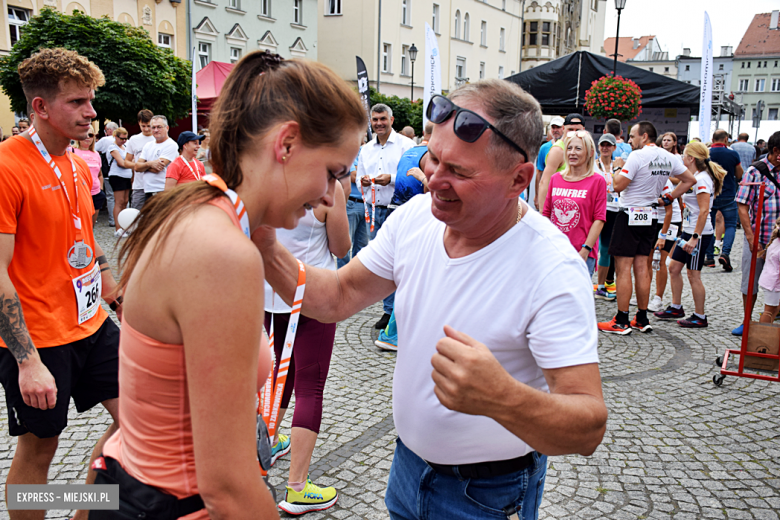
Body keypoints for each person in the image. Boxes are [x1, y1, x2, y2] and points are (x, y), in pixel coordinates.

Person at [256, 79, 607, 520]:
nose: (434, 181)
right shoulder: (415, 218)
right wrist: (262, 240)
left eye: (459, 172)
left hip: (489, 493)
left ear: (519, 178)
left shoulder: (552, 267)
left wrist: (503, 398)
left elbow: (589, 424)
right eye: (433, 159)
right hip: (407, 468)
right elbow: (339, 295)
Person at [99, 51, 365, 519]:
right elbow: (225, 484)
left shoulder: (193, 209)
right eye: (332, 171)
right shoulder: (223, 251)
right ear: (286, 144)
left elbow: (134, 419)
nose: (329, 194)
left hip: (133, 489)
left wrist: (91, 498)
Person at [0, 47, 122, 520]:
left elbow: (85, 239)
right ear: (40, 107)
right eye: (77, 102)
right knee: (40, 449)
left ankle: (86, 512)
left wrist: (116, 297)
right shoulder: (8, 167)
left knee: (137, 420)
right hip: (37, 337)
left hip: (90, 324)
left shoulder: (76, 162)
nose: (91, 112)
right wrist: (27, 361)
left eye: (91, 101)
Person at [264, 183, 350, 515]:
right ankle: (298, 487)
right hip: (312, 292)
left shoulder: (269, 174)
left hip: (271, 292)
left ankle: (268, 443)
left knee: (280, 374)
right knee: (310, 386)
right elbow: (342, 246)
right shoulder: (328, 185)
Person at [597, 121, 695, 335]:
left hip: (630, 213)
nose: (630, 140)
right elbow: (689, 180)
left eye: (632, 136)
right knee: (642, 267)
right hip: (650, 215)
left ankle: (621, 319)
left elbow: (617, 185)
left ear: (644, 136)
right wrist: (669, 197)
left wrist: (616, 167)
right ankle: (641, 318)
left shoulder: (637, 156)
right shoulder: (669, 157)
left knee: (623, 268)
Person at [355, 104, 415, 330]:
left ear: (391, 119)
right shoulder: (367, 149)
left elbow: (412, 176)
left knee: (402, 261)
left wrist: (390, 178)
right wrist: (364, 180)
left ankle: (403, 310)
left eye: (382, 119)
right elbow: (360, 175)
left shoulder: (406, 145)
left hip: (398, 209)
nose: (378, 123)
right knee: (383, 263)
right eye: (375, 119)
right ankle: (388, 311)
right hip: (375, 210)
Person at [653, 142, 725, 328]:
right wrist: (660, 200)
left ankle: (700, 316)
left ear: (691, 158)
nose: (682, 159)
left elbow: (703, 212)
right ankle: (676, 307)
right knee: (674, 268)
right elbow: (677, 192)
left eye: (684, 156)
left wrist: (695, 238)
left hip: (698, 234)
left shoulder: (702, 180)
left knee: (694, 275)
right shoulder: (694, 177)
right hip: (689, 230)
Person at [375, 125, 434, 351]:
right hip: (416, 216)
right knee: (411, 275)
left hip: (405, 212)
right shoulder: (426, 154)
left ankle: (394, 330)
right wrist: (422, 177)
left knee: (407, 274)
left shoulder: (412, 150)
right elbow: (436, 191)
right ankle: (393, 333)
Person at [733, 131, 780, 336]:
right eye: (778, 152)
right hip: (758, 237)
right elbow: (742, 205)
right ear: (773, 151)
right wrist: (751, 237)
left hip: (778, 239)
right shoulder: (755, 171)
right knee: (750, 280)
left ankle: (769, 319)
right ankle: (747, 320)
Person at [542, 130, 606, 277]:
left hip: (582, 251)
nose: (572, 153)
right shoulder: (555, 179)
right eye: (569, 148)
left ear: (590, 153)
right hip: (555, 251)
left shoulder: (597, 181)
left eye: (578, 148)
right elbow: (546, 214)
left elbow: (599, 219)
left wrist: (586, 249)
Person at [703, 129, 743, 271]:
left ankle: (709, 257)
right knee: (731, 224)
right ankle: (725, 253)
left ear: (713, 139)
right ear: (726, 139)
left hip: (710, 193)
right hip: (728, 194)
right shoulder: (732, 154)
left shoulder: (706, 153)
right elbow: (739, 174)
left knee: (709, 224)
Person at [537, 113, 585, 211]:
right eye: (570, 130)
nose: (574, 133)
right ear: (563, 129)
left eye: (577, 130)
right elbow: (544, 182)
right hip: (558, 206)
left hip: (575, 205)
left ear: (583, 130)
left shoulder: (584, 148)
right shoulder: (558, 150)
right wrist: (543, 213)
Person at [593, 133, 620, 300]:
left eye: (608, 145)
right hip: (596, 209)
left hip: (614, 209)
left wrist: (617, 170)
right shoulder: (593, 165)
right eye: (602, 145)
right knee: (589, 245)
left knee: (606, 248)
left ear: (614, 148)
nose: (605, 148)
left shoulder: (619, 165)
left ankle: (602, 285)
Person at [135, 115, 178, 203]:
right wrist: (149, 164)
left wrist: (144, 165)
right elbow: (136, 167)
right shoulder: (148, 145)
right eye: (153, 127)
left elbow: (157, 168)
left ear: (167, 128)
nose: (156, 130)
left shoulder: (171, 144)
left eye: (159, 127)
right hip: (148, 190)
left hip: (163, 190)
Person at [71, 128, 104, 225]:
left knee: (91, 225)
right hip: (79, 192)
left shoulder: (96, 154)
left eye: (91, 135)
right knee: (81, 224)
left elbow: (100, 174)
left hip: (96, 192)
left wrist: (100, 188)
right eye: (85, 134)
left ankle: (91, 240)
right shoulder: (71, 151)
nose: (87, 138)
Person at [124, 109, 155, 211]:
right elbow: (126, 162)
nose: (146, 129)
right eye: (143, 126)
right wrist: (141, 166)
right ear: (139, 124)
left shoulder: (158, 139)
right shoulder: (134, 139)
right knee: (136, 215)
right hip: (139, 185)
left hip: (155, 184)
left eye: (148, 125)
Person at [107, 127, 134, 236]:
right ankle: (118, 228)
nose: (124, 140)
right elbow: (121, 162)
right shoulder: (112, 147)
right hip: (117, 176)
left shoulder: (125, 147)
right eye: (122, 138)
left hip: (127, 176)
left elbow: (128, 161)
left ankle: (124, 225)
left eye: (125, 138)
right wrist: (134, 164)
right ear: (115, 137)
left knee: (125, 201)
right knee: (119, 201)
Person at [757, 216, 780, 323]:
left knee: (775, 309)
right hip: (773, 284)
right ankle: (762, 335)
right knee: (769, 311)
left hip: (770, 280)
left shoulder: (775, 242)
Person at [96, 122, 118, 227]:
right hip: (123, 173)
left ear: (109, 130)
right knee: (122, 197)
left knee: (110, 196)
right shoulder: (124, 140)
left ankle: (112, 220)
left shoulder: (105, 140)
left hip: (108, 172)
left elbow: (94, 149)